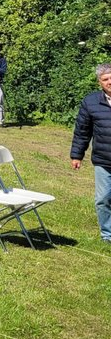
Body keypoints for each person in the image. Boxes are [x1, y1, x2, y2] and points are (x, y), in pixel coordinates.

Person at [69, 63, 111, 244]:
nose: (110, 82)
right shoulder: (91, 101)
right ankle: (107, 235)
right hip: (103, 160)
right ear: (99, 82)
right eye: (105, 79)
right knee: (103, 199)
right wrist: (77, 155)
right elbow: (82, 131)